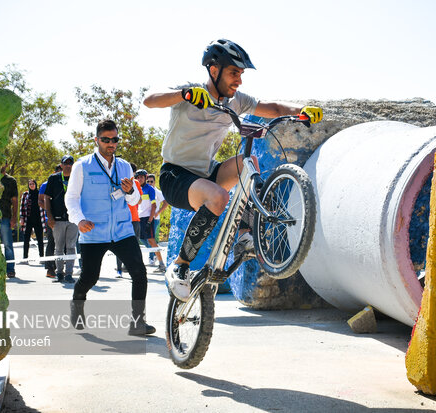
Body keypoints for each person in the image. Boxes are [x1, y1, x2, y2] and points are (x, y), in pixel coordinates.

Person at [143, 39, 323, 300]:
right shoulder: (191, 93)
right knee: (218, 197)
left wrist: (302, 110)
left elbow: (272, 108)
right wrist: (184, 94)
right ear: (213, 70)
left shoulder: (236, 101)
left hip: (207, 171)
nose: (239, 80)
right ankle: (180, 266)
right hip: (175, 175)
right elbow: (150, 100)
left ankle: (244, 235)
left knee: (247, 164)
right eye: (233, 73)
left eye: (241, 74)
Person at [65, 119, 155, 335]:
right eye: (105, 140)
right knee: (90, 277)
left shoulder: (124, 166)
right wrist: (79, 220)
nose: (110, 143)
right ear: (97, 140)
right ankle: (76, 307)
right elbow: (71, 198)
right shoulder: (81, 166)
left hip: (122, 231)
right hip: (94, 231)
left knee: (139, 273)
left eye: (114, 139)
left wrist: (131, 191)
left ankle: (137, 323)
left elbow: (134, 202)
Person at [44, 155, 79, 283]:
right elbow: (46, 198)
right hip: (57, 219)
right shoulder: (53, 178)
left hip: (74, 219)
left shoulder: (78, 178)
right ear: (62, 165)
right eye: (66, 163)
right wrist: (50, 217)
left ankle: (69, 274)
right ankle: (59, 273)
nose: (68, 166)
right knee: (58, 247)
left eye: (71, 163)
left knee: (71, 246)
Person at [135, 169, 166, 273]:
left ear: (146, 177)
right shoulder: (136, 188)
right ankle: (136, 264)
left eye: (142, 177)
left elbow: (154, 205)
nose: (140, 179)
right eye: (138, 177)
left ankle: (161, 264)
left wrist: (150, 220)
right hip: (138, 218)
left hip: (147, 218)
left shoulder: (150, 189)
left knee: (152, 241)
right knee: (136, 241)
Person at [115, 162, 142, 277]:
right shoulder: (117, 181)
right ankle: (119, 270)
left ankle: (132, 270)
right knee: (119, 245)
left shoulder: (135, 183)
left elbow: (140, 200)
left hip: (134, 218)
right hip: (120, 218)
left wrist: (131, 194)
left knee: (134, 246)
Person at [40, 165, 62, 278]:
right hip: (51, 219)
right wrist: (50, 212)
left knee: (63, 245)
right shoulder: (46, 184)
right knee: (51, 243)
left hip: (64, 219)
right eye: (59, 171)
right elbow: (40, 201)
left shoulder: (67, 183)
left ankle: (61, 269)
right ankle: (49, 268)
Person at [0, 162, 18, 278]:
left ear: (6, 165)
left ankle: (10, 269)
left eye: (3, 163)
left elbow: (15, 200)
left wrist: (14, 218)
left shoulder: (11, 181)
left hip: (5, 217)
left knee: (8, 245)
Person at [20, 179, 46, 259]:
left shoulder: (40, 194)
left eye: (33, 184)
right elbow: (22, 207)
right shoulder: (25, 195)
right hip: (28, 220)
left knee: (40, 239)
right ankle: (25, 257)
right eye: (30, 184)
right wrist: (21, 218)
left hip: (39, 220)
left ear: (36, 184)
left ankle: (41, 257)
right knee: (26, 239)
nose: (32, 185)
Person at [146, 174, 169, 265]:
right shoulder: (145, 190)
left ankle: (152, 257)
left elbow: (166, 203)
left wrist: (158, 212)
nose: (150, 183)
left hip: (155, 219)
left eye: (151, 181)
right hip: (146, 218)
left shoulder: (157, 192)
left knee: (151, 239)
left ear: (155, 182)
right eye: (148, 181)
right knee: (148, 239)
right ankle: (155, 253)